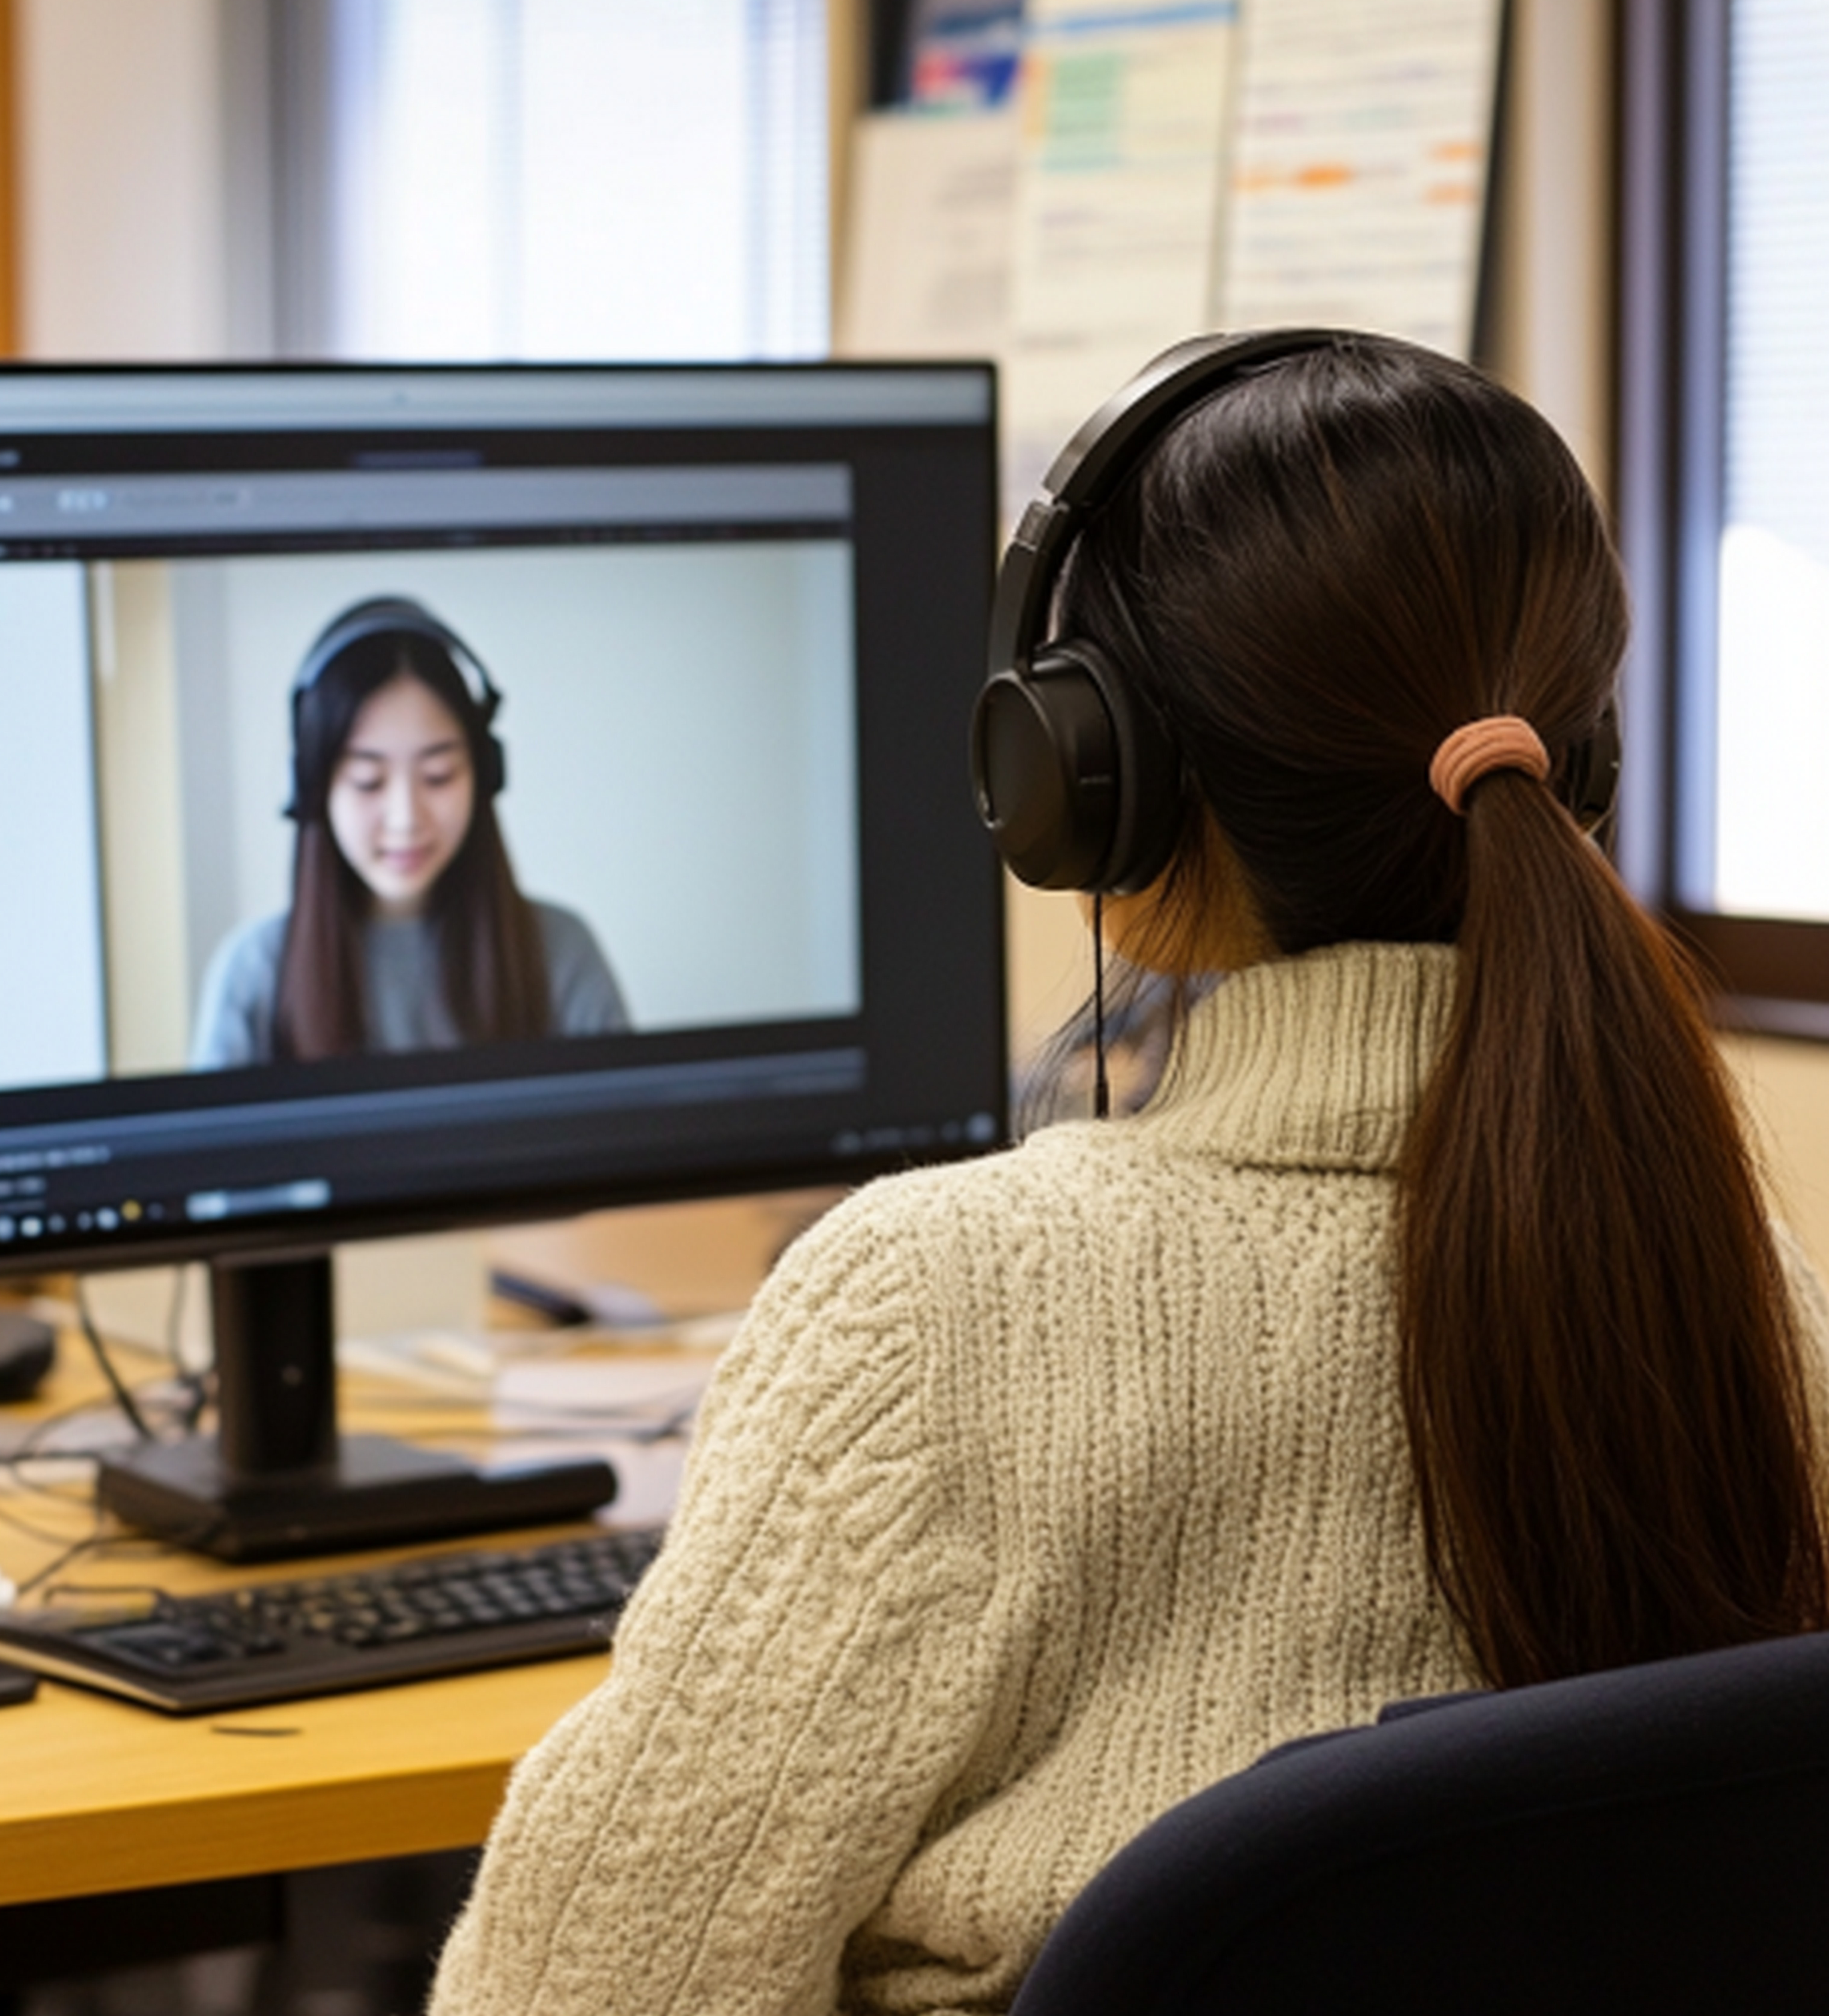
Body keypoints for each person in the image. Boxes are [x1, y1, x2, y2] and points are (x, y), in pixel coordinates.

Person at [424, 336, 1829, 2015]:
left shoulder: (930, 1305)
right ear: (1574, 765)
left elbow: (581, 1990)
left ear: (1084, 780)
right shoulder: (1731, 1278)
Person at [190, 598, 628, 1066]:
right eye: (368, 782)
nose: (405, 819)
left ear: (484, 775)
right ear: (315, 789)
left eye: (438, 776)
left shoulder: (561, 952)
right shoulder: (254, 972)